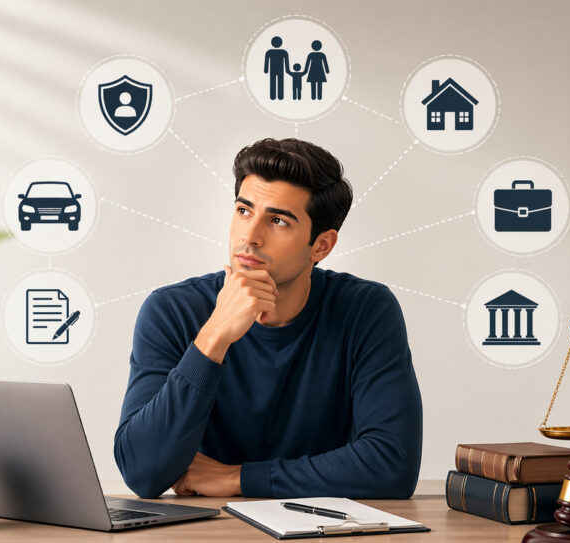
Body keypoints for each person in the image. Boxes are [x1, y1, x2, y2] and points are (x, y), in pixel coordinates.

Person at [113, 138, 423, 499]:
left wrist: (238, 479)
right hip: (205, 538)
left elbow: (392, 466)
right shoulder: (172, 311)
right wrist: (213, 337)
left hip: (325, 542)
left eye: (277, 220)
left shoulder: (366, 310)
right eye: (244, 211)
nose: (250, 236)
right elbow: (141, 472)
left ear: (321, 245)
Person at [263, 36, 290, 100]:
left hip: (273, 70)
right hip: (280, 70)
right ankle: (280, 96)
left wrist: (266, 70)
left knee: (273, 82)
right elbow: (286, 62)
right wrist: (287, 70)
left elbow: (266, 62)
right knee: (280, 82)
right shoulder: (284, 52)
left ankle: (273, 96)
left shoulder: (269, 52)